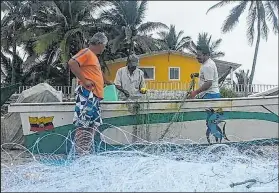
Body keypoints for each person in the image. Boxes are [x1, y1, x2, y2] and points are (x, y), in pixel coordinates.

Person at [68, 32, 110, 155]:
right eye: (104, 45)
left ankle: (85, 150)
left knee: (93, 124)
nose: (104, 48)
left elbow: (97, 73)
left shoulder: (94, 57)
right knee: (83, 124)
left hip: (95, 96)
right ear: (99, 43)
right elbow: (72, 62)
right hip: (87, 94)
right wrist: (85, 80)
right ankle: (80, 152)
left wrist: (107, 82)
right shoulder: (86, 52)